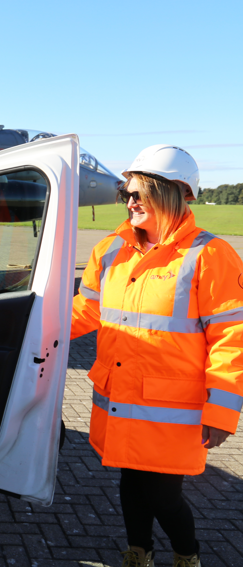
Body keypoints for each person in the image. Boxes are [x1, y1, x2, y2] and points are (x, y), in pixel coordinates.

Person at [71, 145, 243, 567]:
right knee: (131, 483)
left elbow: (231, 337)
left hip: (172, 409)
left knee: (165, 497)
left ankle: (187, 555)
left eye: (139, 193)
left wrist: (221, 411)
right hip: (120, 399)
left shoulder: (209, 255)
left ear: (175, 194)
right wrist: (32, 330)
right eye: (126, 193)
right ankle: (139, 553)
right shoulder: (111, 249)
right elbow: (86, 311)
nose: (129, 202)